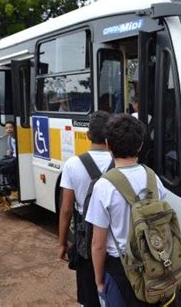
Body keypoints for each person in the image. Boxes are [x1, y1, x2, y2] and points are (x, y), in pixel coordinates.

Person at [86, 113, 167, 306]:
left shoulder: (104, 186)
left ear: (107, 145)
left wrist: (98, 282)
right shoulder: (153, 178)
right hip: (153, 265)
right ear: (140, 145)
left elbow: (98, 244)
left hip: (119, 269)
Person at [57, 110, 113, 307]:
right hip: (114, 241)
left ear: (88, 135)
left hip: (85, 240)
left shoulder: (73, 164)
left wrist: (63, 243)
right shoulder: (119, 162)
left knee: (88, 296)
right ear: (110, 136)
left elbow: (66, 209)